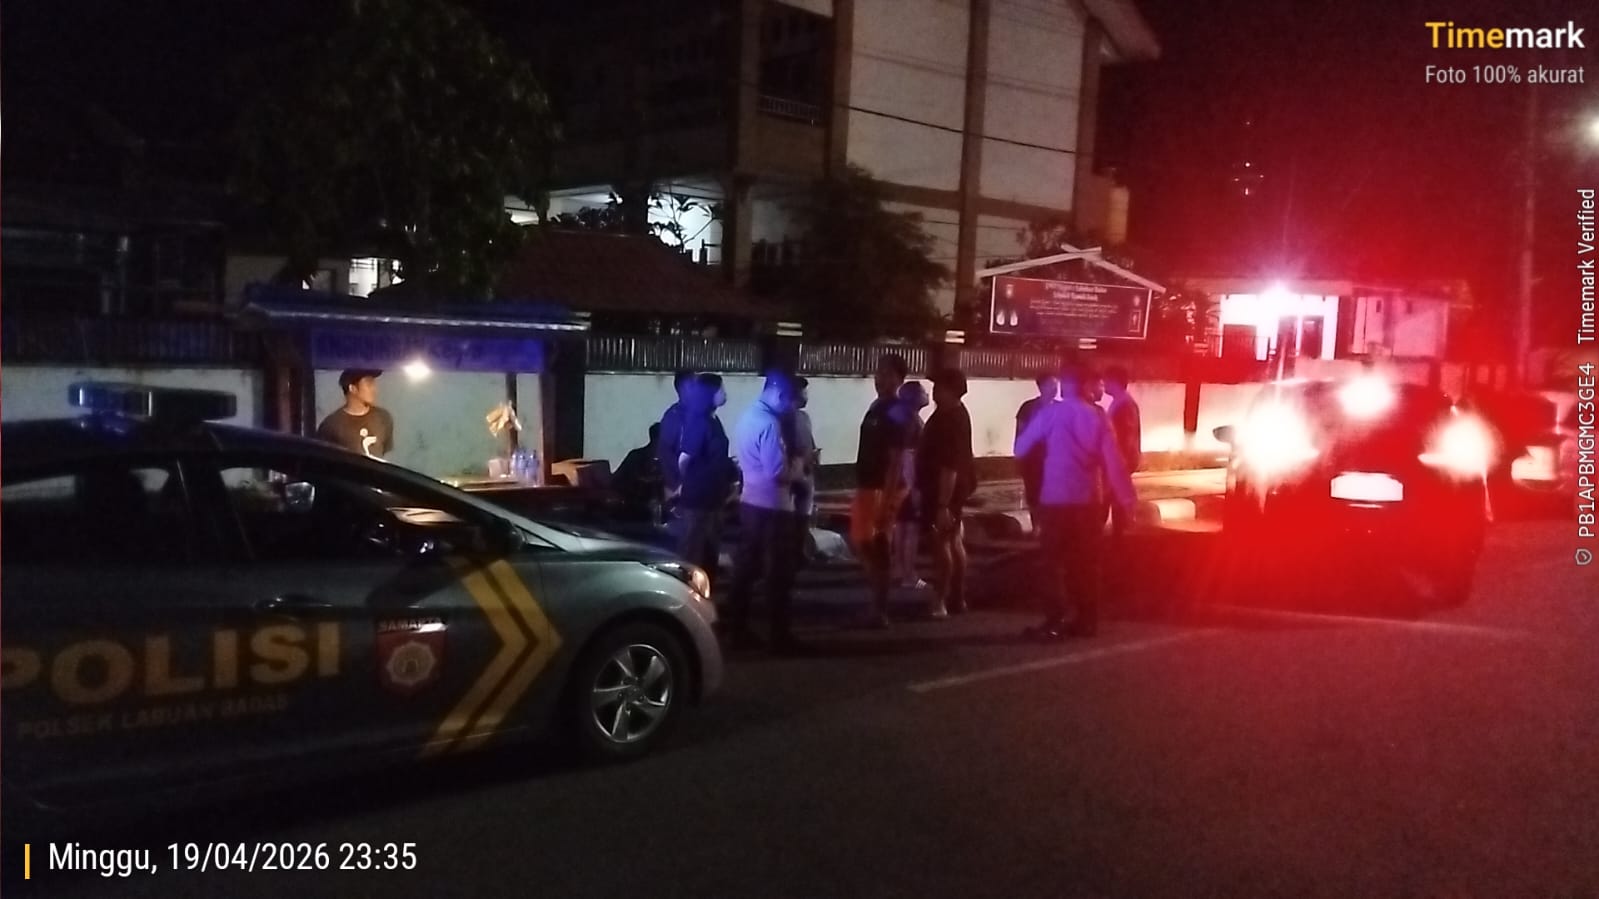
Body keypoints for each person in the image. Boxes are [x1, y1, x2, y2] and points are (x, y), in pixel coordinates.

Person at [1015, 364, 1137, 639]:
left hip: (1055, 498)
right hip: (1088, 499)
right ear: (1085, 385)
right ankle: (1086, 620)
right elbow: (1114, 463)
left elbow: (1021, 447)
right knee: (1086, 563)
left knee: (1053, 562)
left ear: (1066, 385)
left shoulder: (1051, 413)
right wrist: (1127, 498)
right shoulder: (1098, 417)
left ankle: (1054, 619)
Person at [726, 370, 804, 653]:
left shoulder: (747, 416)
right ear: (780, 395)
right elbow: (778, 472)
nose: (792, 407)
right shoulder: (770, 423)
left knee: (746, 569)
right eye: (791, 400)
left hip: (750, 502)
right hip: (774, 508)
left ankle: (737, 629)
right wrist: (799, 467)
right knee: (779, 573)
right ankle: (779, 637)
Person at [851, 353, 910, 628]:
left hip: (879, 488)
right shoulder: (877, 406)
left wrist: (887, 499)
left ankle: (879, 610)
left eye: (886, 373)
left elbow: (897, 458)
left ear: (899, 378)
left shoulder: (897, 410)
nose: (879, 378)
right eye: (878, 372)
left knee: (876, 546)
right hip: (867, 486)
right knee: (864, 544)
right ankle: (876, 605)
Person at [918, 369, 976, 619]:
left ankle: (940, 600)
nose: (934, 391)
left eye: (939, 386)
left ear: (951, 390)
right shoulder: (954, 414)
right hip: (952, 489)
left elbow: (949, 466)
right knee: (953, 541)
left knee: (941, 543)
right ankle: (957, 597)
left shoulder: (949, 420)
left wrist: (943, 504)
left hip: (942, 491)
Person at [676, 373, 734, 590]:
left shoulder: (713, 420)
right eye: (721, 390)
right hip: (698, 501)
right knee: (693, 554)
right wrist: (693, 480)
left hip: (714, 499)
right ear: (710, 393)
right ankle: (687, 596)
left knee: (710, 553)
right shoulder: (699, 421)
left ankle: (705, 595)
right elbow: (684, 459)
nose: (725, 394)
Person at [892, 380, 932, 590]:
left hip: (898, 482)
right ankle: (909, 574)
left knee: (901, 525)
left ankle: (899, 570)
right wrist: (914, 487)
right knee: (910, 528)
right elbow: (909, 457)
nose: (928, 394)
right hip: (910, 482)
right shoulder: (914, 423)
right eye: (924, 392)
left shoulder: (901, 421)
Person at [1015, 372, 1061, 535]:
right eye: (1051, 385)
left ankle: (1051, 526)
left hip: (1055, 460)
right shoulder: (1028, 408)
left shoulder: (1060, 408)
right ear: (1041, 387)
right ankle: (1037, 526)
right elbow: (1020, 432)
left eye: (1056, 385)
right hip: (1033, 460)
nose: (1055, 389)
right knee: (1034, 493)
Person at [317, 369, 394, 459]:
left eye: (374, 384)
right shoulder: (330, 425)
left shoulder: (383, 418)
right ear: (352, 388)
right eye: (369, 384)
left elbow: (383, 452)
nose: (374, 389)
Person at [1104, 366, 1143, 536]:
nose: (1104, 384)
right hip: (1121, 459)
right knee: (1115, 498)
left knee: (1117, 498)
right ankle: (1119, 534)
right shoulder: (1121, 402)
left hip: (1121, 460)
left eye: (1106, 380)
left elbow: (1126, 436)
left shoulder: (1124, 405)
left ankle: (1121, 536)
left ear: (1114, 382)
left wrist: (1120, 461)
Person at [788, 377, 821, 567]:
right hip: (792, 470)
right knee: (790, 514)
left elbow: (810, 441)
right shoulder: (784, 418)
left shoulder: (804, 417)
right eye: (803, 392)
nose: (806, 396)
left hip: (807, 471)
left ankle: (799, 551)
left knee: (804, 513)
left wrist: (814, 455)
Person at [655, 369, 697, 503]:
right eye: (693, 385)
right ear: (683, 389)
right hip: (679, 489)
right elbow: (665, 452)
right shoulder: (673, 417)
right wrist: (678, 483)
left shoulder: (702, 414)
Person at [614, 423, 665, 521]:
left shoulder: (666, 460)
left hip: (655, 512)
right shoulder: (636, 456)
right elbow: (623, 481)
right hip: (632, 510)